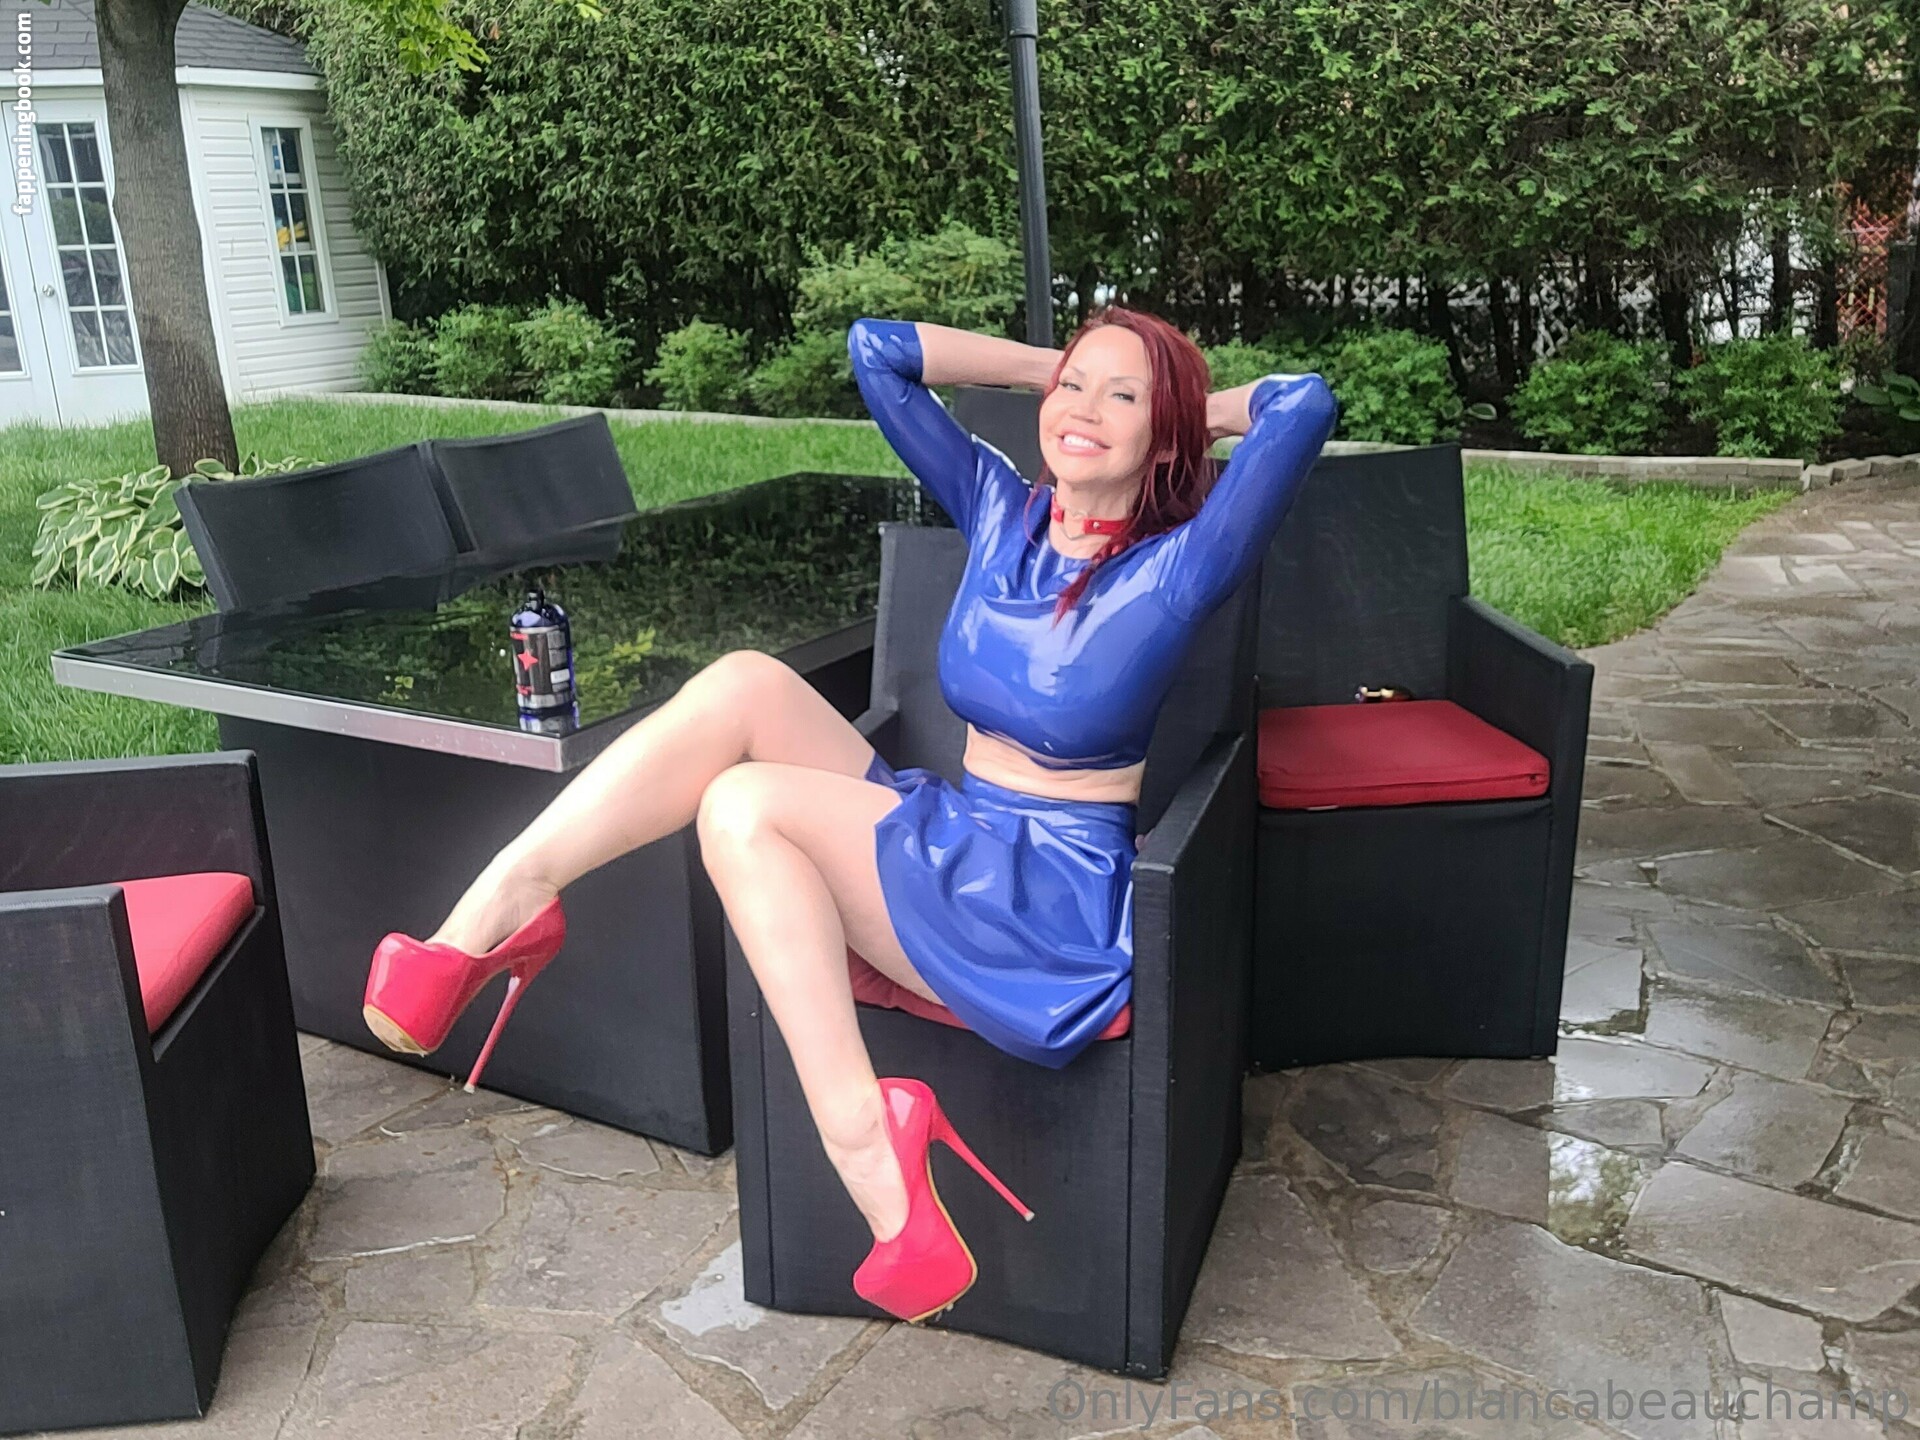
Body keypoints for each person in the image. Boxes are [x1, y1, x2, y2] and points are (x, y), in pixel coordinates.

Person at [361, 307, 1339, 1324]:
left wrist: (1182, 407)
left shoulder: (1181, 566)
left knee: (743, 808)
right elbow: (879, 353)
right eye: (1072, 388)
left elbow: (1302, 405)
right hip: (959, 836)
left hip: (1043, 903)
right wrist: (1064, 371)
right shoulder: (1002, 511)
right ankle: (502, 903)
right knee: (745, 682)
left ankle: (868, 1145)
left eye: (1121, 397)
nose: (1083, 410)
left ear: (1165, 434)